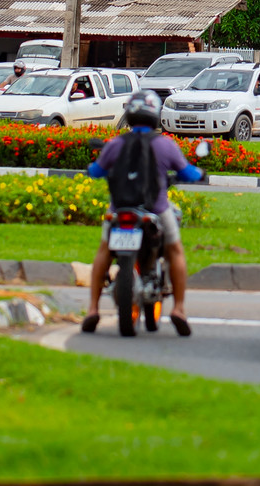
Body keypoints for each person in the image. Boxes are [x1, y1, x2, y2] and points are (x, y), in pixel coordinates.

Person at [81, 90, 203, 336]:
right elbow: (188, 173)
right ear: (155, 115)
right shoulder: (165, 145)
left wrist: (94, 167)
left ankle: (92, 309)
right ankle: (179, 308)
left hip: (119, 211)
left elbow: (95, 172)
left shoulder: (115, 144)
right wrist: (199, 173)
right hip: (155, 210)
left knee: (104, 250)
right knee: (175, 250)